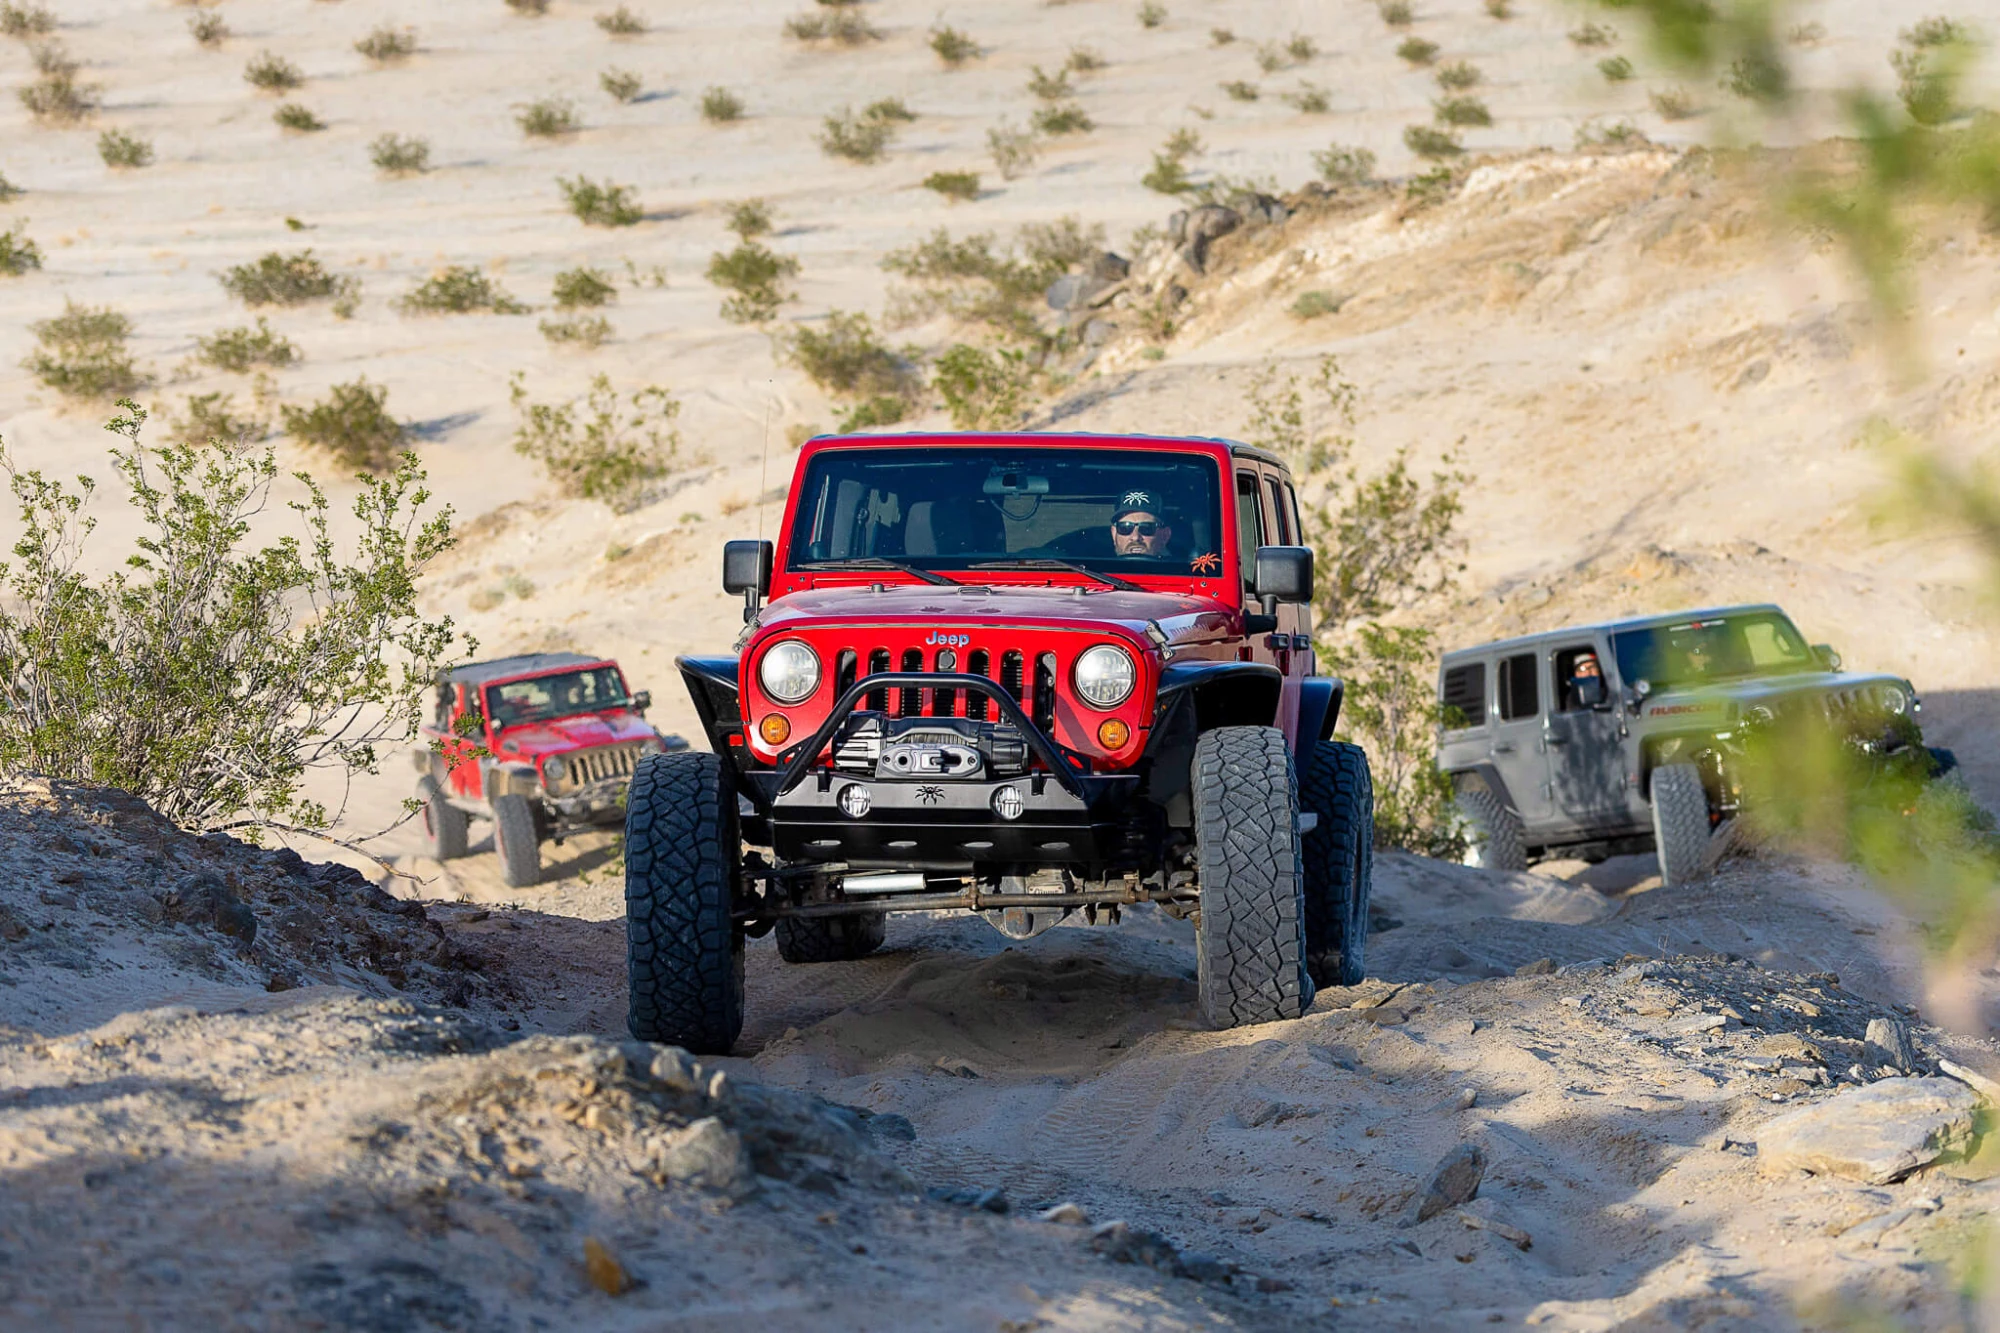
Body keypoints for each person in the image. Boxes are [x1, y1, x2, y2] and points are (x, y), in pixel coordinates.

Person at [1109, 491, 1174, 558]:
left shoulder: (1180, 568)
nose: (1135, 537)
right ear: (1114, 534)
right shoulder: (1099, 567)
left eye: (1146, 528)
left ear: (1165, 536)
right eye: (1125, 528)